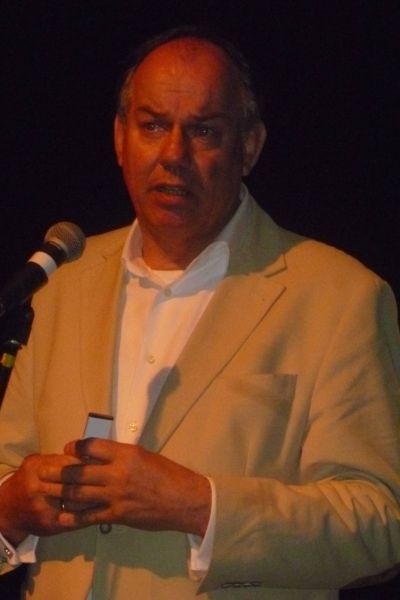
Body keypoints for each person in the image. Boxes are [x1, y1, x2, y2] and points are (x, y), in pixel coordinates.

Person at [0, 26, 399, 600]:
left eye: (204, 131)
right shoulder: (61, 285)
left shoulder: (340, 296)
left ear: (249, 147)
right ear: (119, 138)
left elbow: (381, 524)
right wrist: (12, 508)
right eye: (152, 125)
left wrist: (198, 505)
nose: (173, 155)